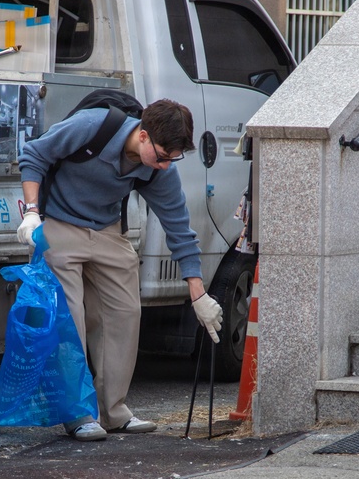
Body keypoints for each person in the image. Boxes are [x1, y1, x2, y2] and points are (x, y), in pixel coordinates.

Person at [16, 98, 223, 442]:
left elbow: (179, 229)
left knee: (124, 312)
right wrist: (32, 212)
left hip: (108, 229)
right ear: (142, 135)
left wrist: (197, 291)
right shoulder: (91, 126)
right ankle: (78, 412)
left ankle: (114, 411)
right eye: (161, 156)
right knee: (70, 317)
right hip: (58, 223)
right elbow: (34, 154)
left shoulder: (160, 169)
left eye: (173, 159)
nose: (165, 166)